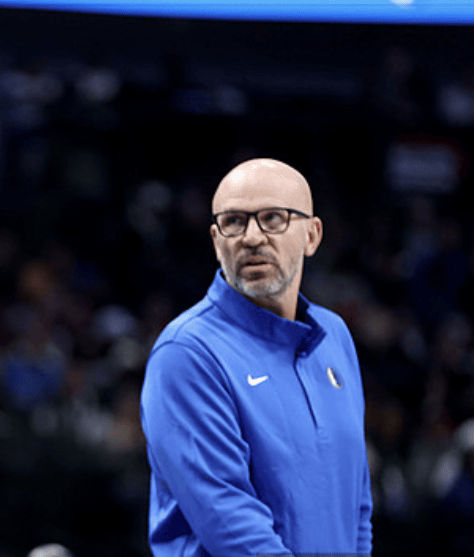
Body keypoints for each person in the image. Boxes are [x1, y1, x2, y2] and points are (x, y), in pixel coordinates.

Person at [139, 158, 372, 556]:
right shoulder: (186, 353)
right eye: (233, 222)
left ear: (312, 235)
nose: (251, 237)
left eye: (272, 218)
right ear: (216, 241)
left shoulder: (335, 336)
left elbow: (356, 503)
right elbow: (232, 527)